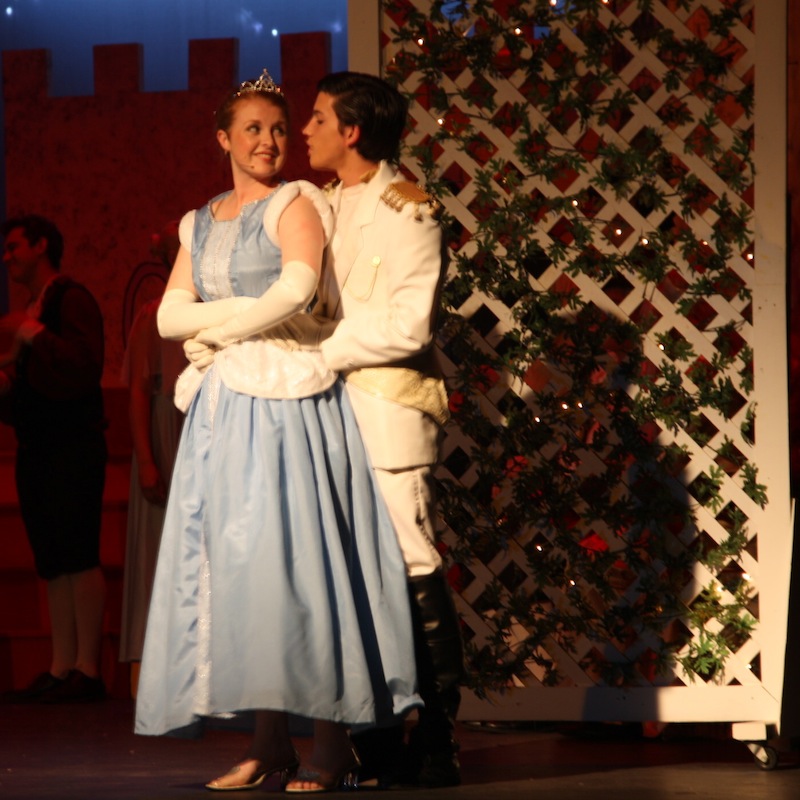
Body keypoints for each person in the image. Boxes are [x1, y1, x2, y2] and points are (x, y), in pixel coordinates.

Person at [133, 70, 420, 794]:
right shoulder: (198, 221)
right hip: (225, 409)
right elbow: (167, 318)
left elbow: (296, 289)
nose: (269, 142)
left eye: (279, 129)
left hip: (288, 400)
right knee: (243, 573)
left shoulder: (298, 201)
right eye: (253, 129)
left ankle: (331, 742)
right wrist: (221, 333)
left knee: (299, 566)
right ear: (223, 138)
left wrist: (219, 327)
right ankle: (270, 743)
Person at [297, 71, 465, 788]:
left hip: (386, 410)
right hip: (326, 413)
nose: (305, 130)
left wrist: (319, 354)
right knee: (348, 577)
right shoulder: (321, 207)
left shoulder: (409, 210)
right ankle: (375, 736)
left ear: (353, 130)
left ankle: (433, 737)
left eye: (316, 117)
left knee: (409, 562)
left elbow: (407, 323)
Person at [0, 214, 107, 704]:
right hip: (39, 447)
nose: (8, 257)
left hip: (72, 446)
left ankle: (87, 666)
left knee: (77, 551)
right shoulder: (35, 309)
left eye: (15, 247)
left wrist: (31, 335)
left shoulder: (71, 299)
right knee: (52, 558)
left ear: (41, 246)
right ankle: (63, 665)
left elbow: (84, 367)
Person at [118, 221, 185, 697]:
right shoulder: (155, 313)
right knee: (158, 548)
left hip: (205, 423)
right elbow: (139, 391)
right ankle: (154, 673)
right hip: (167, 432)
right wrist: (146, 457)